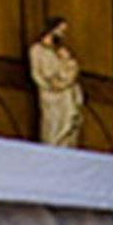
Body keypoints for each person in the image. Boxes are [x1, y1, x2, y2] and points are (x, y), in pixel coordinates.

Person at [29, 16, 84, 147]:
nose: (62, 33)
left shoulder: (59, 50)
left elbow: (70, 68)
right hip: (50, 94)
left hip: (64, 92)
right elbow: (36, 73)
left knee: (68, 123)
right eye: (60, 29)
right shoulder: (37, 50)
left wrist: (66, 73)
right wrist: (49, 85)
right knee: (53, 126)